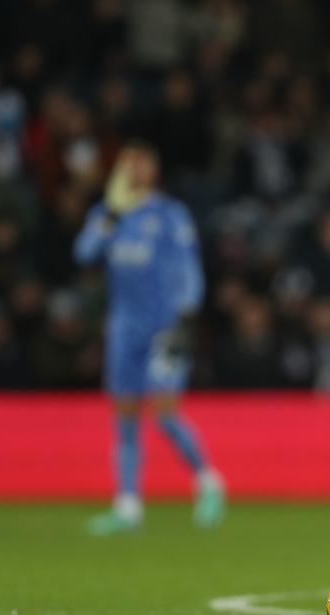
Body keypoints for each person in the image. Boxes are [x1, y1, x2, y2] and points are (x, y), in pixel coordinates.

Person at [74, 141, 226, 535]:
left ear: (153, 170)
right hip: (124, 328)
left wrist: (187, 315)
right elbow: (83, 252)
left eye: (140, 164)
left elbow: (189, 268)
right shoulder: (110, 215)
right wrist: (109, 212)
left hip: (165, 327)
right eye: (127, 165)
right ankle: (127, 506)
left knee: (164, 412)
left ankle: (208, 481)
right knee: (124, 416)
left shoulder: (170, 215)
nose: (133, 171)